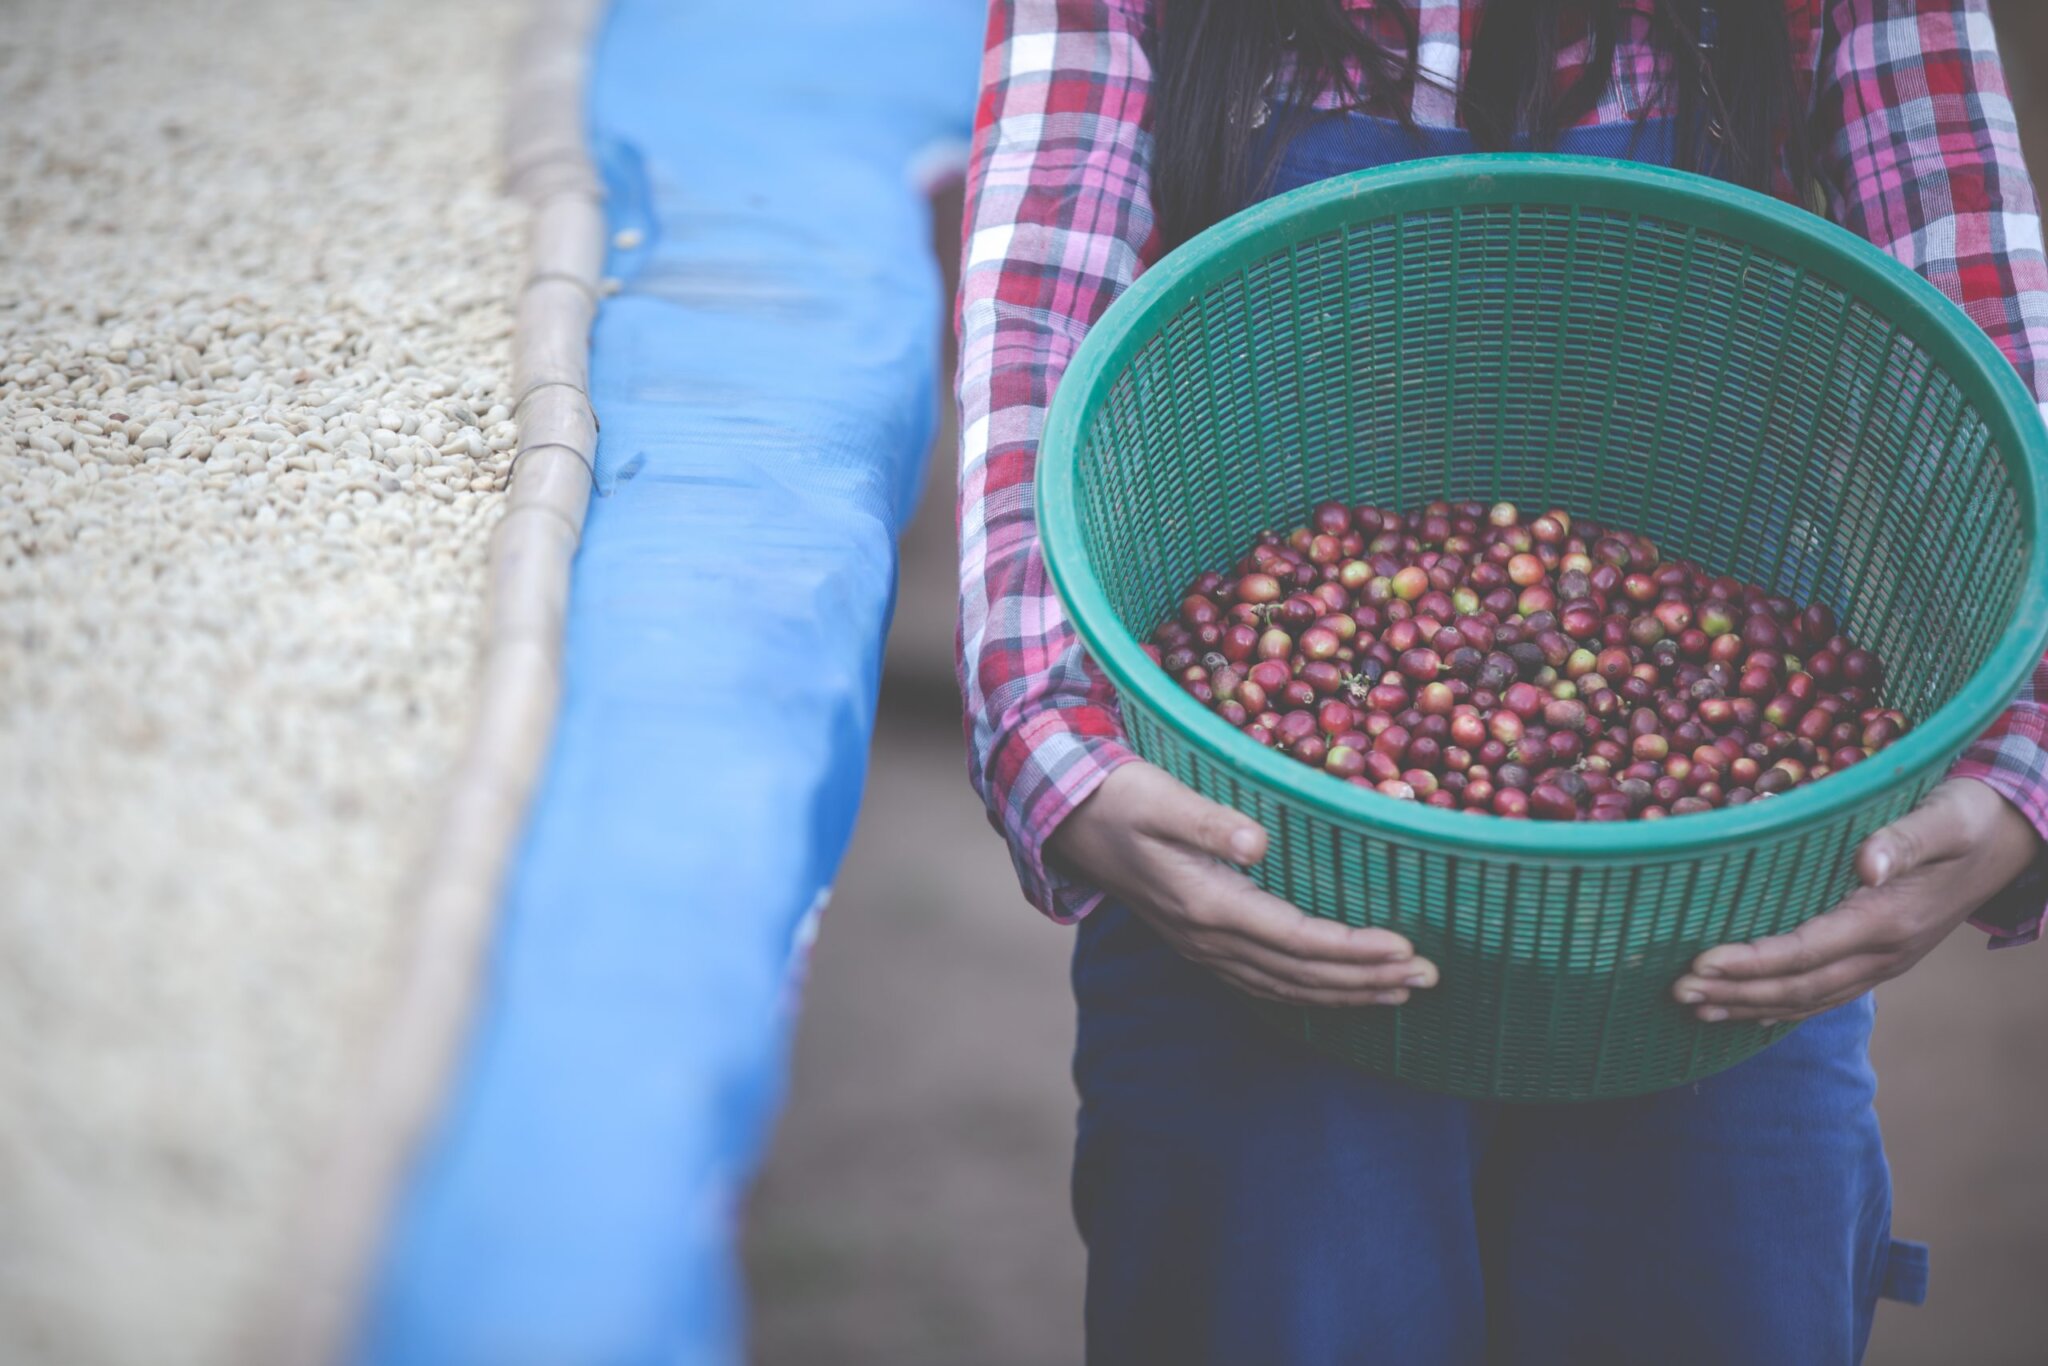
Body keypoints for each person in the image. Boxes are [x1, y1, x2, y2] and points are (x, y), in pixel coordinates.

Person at [954, 1, 2048, 1361]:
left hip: (1713, 889)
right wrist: (1055, 749)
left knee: (1715, 1280)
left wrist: (2024, 758)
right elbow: (1040, 311)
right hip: (1257, 843)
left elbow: (1982, 301)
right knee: (1279, 1282)